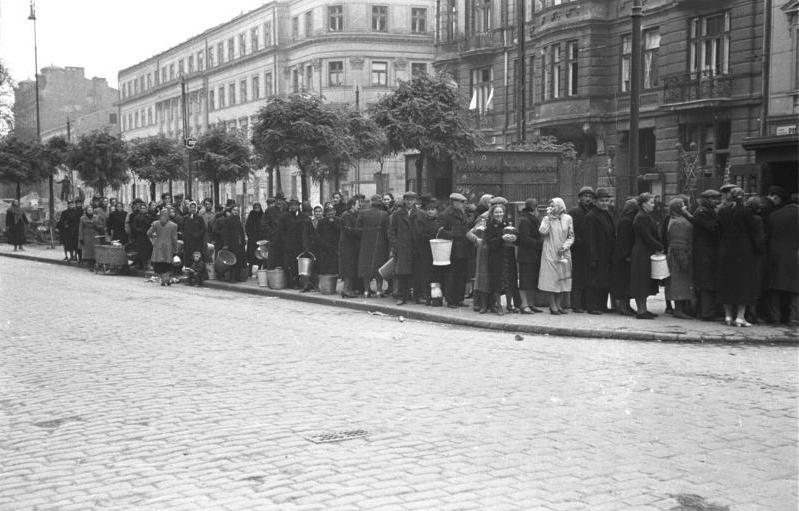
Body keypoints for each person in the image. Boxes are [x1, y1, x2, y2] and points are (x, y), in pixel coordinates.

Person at [716, 187, 765, 327]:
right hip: (743, 250)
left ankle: (727, 316)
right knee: (743, 283)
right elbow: (753, 233)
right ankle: (740, 317)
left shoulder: (722, 212)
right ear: (743, 197)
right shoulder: (747, 212)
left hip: (725, 249)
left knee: (726, 282)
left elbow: (718, 230)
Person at [764, 194, 799, 325]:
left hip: (775, 255)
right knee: (795, 289)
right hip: (795, 255)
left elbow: (767, 234)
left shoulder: (774, 215)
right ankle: (793, 318)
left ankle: (775, 317)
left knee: (775, 287)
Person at [629, 193, 663, 319]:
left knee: (644, 281)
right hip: (641, 252)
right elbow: (647, 236)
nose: (653, 205)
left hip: (644, 251)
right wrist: (659, 246)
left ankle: (643, 309)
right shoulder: (642, 217)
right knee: (641, 281)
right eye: (651, 202)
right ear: (643, 203)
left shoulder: (645, 215)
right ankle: (641, 311)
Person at [538, 198, 574, 314]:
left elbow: (571, 236)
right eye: (550, 206)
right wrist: (548, 218)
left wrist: (565, 246)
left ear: (560, 206)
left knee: (563, 279)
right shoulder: (547, 219)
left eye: (554, 206)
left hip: (563, 252)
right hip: (550, 251)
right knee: (552, 279)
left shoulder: (568, 219)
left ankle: (559, 305)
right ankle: (552, 305)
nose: (552, 208)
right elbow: (543, 232)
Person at [691, 189, 721, 321]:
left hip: (705, 250)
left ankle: (704, 311)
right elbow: (713, 229)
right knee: (706, 282)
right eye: (714, 199)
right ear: (707, 199)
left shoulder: (704, 211)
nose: (717, 201)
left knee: (706, 281)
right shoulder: (703, 212)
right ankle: (706, 312)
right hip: (704, 251)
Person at [585, 188, 616, 314]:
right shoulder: (591, 216)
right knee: (594, 281)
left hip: (607, 254)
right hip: (597, 254)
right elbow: (590, 239)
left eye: (606, 200)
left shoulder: (607, 214)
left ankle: (602, 305)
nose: (604, 203)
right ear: (595, 201)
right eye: (602, 201)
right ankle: (592, 307)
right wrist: (593, 257)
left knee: (604, 281)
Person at [484, 203, 518, 315]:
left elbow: (516, 239)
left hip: (508, 256)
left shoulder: (507, 224)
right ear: (492, 214)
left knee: (510, 281)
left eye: (501, 212)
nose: (499, 214)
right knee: (497, 282)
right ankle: (498, 306)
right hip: (496, 257)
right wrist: (501, 238)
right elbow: (490, 243)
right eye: (496, 212)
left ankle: (509, 305)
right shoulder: (489, 226)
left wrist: (514, 238)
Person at [438, 193, 470, 308]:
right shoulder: (446, 214)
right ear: (454, 202)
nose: (462, 204)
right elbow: (439, 231)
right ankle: (451, 300)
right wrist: (453, 234)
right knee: (451, 275)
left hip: (463, 248)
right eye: (461, 202)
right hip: (452, 249)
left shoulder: (462, 213)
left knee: (461, 275)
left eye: (463, 202)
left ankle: (459, 299)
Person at [664, 197, 694, 319]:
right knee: (679, 282)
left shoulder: (675, 219)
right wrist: (683, 259)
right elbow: (678, 243)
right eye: (683, 205)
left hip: (677, 254)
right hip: (679, 255)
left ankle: (680, 309)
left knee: (678, 282)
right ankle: (678, 310)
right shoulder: (679, 222)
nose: (685, 207)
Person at [467, 194, 497, 312]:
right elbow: (470, 233)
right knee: (482, 277)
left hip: (494, 250)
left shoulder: (499, 217)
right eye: (492, 204)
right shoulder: (483, 217)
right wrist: (477, 240)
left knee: (492, 276)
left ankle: (491, 303)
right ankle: (479, 303)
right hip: (484, 251)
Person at [356, 194, 390, 297]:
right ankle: (379, 290)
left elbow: (357, 230)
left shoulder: (362, 213)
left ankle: (366, 290)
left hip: (365, 244)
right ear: (380, 203)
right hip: (380, 245)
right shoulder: (384, 214)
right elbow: (387, 231)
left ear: (371, 202)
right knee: (378, 266)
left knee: (366, 266)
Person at [388, 192, 418, 305]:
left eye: (412, 199)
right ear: (404, 201)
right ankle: (402, 296)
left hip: (415, 247)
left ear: (415, 201)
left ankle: (416, 296)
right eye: (407, 200)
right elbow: (391, 232)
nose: (410, 202)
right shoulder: (397, 214)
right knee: (402, 273)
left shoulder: (420, 213)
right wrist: (396, 245)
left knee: (416, 272)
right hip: (402, 248)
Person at [568, 186, 595, 313]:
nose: (588, 199)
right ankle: (576, 305)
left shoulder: (593, 211)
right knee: (578, 277)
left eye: (590, 197)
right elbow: (570, 231)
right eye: (585, 196)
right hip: (578, 250)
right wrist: (578, 242)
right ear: (580, 198)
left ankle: (585, 303)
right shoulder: (574, 212)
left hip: (590, 249)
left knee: (588, 277)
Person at [611, 198, 638, 316]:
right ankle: (623, 306)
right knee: (623, 282)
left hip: (623, 254)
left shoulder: (625, 219)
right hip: (623, 256)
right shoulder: (627, 221)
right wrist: (626, 255)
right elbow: (624, 240)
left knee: (627, 282)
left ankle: (626, 305)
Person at [516, 198, 543, 314]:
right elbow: (525, 238)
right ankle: (524, 304)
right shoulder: (525, 220)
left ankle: (531, 304)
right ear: (534, 208)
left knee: (532, 280)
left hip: (532, 255)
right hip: (527, 255)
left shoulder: (531, 219)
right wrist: (540, 243)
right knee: (525, 281)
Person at [413, 195, 441, 306]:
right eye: (429, 210)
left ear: (436, 211)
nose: (430, 212)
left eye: (433, 210)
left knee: (435, 274)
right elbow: (420, 234)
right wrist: (433, 236)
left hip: (437, 252)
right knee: (424, 274)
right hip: (424, 251)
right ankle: (425, 295)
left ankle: (436, 296)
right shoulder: (421, 221)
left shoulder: (439, 222)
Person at [147, 209, 179, 286]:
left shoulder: (156, 223)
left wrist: (154, 238)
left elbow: (148, 233)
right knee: (167, 263)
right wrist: (176, 248)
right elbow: (174, 238)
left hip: (158, 246)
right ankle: (166, 279)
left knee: (159, 264)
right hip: (168, 246)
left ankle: (162, 280)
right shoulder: (173, 225)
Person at [338, 197, 361, 298]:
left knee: (351, 268)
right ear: (352, 205)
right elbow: (349, 230)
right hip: (348, 246)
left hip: (352, 246)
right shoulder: (346, 215)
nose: (359, 206)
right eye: (357, 204)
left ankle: (348, 289)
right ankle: (346, 290)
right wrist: (360, 232)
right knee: (348, 268)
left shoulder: (352, 215)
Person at [300, 205, 325, 292]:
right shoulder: (309, 221)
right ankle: (309, 284)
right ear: (314, 212)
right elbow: (305, 235)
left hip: (321, 247)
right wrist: (306, 246)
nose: (318, 213)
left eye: (320, 211)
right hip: (311, 247)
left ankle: (317, 285)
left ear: (322, 212)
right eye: (316, 211)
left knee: (320, 266)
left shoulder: (324, 221)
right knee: (310, 266)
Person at [220, 206, 247, 283]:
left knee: (239, 259)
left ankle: (238, 276)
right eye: (234, 210)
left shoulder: (238, 219)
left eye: (237, 210)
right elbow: (225, 232)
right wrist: (226, 244)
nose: (235, 212)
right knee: (232, 260)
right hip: (231, 243)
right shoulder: (228, 220)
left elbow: (241, 231)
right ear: (231, 211)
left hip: (238, 243)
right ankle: (232, 277)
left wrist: (243, 241)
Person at [78, 205, 105, 270]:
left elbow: (101, 226)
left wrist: (98, 227)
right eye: (88, 210)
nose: (90, 211)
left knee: (95, 250)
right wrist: (81, 238)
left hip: (95, 236)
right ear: (86, 211)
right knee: (88, 252)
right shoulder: (82, 218)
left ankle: (95, 264)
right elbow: (81, 229)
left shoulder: (96, 217)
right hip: (87, 236)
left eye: (91, 210)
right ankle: (90, 265)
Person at [245, 203, 265, 275]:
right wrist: (250, 235)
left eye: (258, 207)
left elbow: (264, 226)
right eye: (255, 207)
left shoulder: (262, 215)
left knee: (260, 255)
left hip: (260, 239)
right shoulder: (251, 215)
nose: (257, 209)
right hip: (252, 239)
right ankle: (250, 270)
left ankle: (259, 269)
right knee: (251, 255)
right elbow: (247, 226)